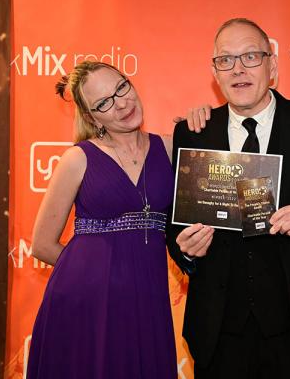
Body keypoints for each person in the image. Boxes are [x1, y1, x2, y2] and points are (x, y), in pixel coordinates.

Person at [166, 18, 290, 379]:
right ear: (215, 72)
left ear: (272, 66)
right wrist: (185, 249)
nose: (238, 68)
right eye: (225, 60)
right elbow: (175, 222)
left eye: (251, 56)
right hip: (218, 332)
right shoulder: (194, 132)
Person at [27, 61, 203, 378]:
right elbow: (41, 245)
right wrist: (97, 274)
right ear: (93, 118)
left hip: (148, 296)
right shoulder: (77, 158)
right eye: (104, 103)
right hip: (87, 302)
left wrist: (200, 125)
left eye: (121, 88)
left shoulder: (170, 146)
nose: (121, 103)